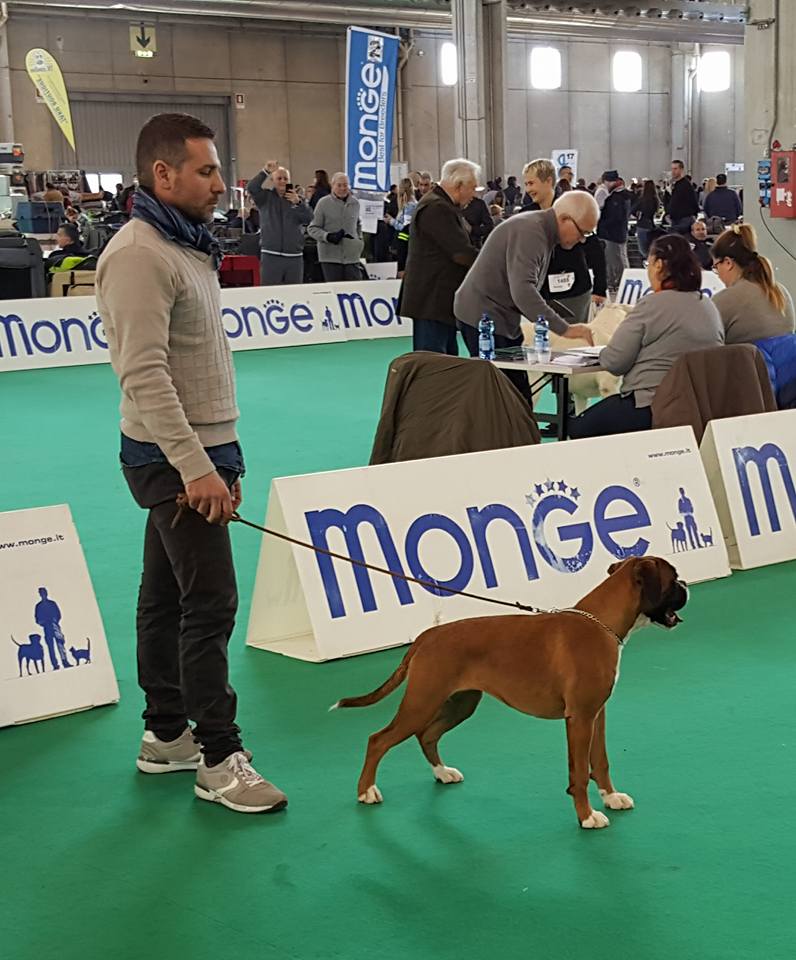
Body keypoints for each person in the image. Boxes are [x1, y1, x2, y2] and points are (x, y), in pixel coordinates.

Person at [95, 112, 287, 814]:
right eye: (205, 171)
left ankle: (167, 735)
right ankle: (218, 756)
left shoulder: (184, 244)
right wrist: (195, 467)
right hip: (175, 458)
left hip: (201, 450)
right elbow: (143, 375)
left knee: (166, 597)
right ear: (163, 174)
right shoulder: (139, 254)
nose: (218, 184)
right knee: (210, 603)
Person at [568, 233, 724, 439]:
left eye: (648, 264)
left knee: (577, 428)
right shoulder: (708, 306)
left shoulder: (650, 305)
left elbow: (615, 362)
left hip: (651, 404)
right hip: (699, 405)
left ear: (658, 265)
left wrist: (603, 352)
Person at [454, 192, 598, 404]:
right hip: (484, 317)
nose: (582, 239)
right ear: (565, 219)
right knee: (503, 397)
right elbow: (523, 292)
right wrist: (565, 329)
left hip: (498, 317)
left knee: (516, 397)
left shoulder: (539, 230)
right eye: (582, 232)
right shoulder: (532, 232)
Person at [398, 157, 479, 354]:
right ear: (459, 186)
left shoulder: (439, 204)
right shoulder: (437, 207)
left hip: (439, 300)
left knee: (445, 361)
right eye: (473, 188)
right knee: (433, 362)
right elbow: (460, 253)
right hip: (432, 300)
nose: (474, 195)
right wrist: (492, 262)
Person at [525, 160, 607, 325]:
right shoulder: (526, 214)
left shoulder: (574, 207)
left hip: (575, 294)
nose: (528, 189)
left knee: (574, 337)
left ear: (548, 181)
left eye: (531, 183)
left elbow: (595, 250)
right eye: (526, 184)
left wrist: (600, 287)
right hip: (540, 295)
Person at [711, 224, 796, 343]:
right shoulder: (781, 291)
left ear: (728, 263)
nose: (718, 274)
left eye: (716, 267)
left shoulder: (725, 300)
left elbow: (706, 343)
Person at [246, 160, 313, 285]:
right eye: (279, 178)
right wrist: (265, 172)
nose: (283, 181)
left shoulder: (298, 200)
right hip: (271, 255)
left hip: (294, 256)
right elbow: (251, 187)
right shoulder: (265, 198)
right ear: (272, 180)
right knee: (270, 291)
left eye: (286, 178)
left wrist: (298, 203)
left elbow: (308, 219)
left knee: (294, 293)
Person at [308, 172, 364, 281]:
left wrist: (359, 242)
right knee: (335, 288)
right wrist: (327, 236)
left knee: (355, 287)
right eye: (339, 185)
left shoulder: (355, 203)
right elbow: (312, 228)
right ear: (332, 186)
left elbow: (358, 224)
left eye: (345, 185)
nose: (342, 188)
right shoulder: (323, 203)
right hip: (330, 257)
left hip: (352, 257)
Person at [597, 172, 632, 295]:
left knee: (613, 260)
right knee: (621, 258)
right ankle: (623, 281)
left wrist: (601, 224)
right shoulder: (626, 196)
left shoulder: (616, 198)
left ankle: (616, 283)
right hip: (620, 233)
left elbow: (614, 217)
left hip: (612, 234)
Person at [384, 177, 417, 274]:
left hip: (404, 244)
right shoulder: (411, 205)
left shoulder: (409, 206)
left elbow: (405, 227)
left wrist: (391, 221)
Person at [35, 587, 71, 671]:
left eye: (44, 593)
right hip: (47, 628)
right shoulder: (38, 606)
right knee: (50, 647)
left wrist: (55, 621)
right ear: (40, 595)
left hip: (55, 626)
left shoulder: (52, 603)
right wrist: (43, 622)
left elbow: (58, 614)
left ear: (46, 593)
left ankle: (65, 662)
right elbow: (37, 619)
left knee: (60, 644)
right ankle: (55, 664)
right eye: (41, 593)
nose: (43, 594)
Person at [666, 159, 699, 234]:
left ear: (681, 169)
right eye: (672, 169)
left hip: (684, 219)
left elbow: (693, 201)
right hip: (675, 219)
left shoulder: (686, 185)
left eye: (675, 169)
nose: (673, 171)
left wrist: (694, 214)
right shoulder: (675, 184)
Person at [633, 179, 660, 259]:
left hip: (642, 225)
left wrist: (637, 215)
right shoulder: (656, 200)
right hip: (651, 225)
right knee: (650, 249)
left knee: (643, 250)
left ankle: (647, 262)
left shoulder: (641, 200)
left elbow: (632, 209)